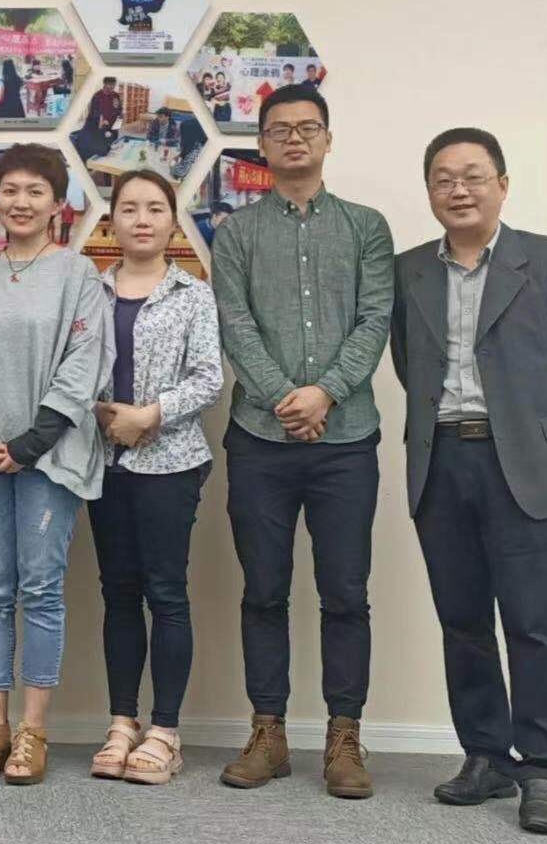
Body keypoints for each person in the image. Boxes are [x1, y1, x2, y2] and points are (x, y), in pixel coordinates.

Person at [391, 128, 547, 835]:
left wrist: (534, 435)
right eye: (443, 178)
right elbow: (407, 363)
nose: (459, 189)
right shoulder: (410, 270)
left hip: (519, 465)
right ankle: (485, 755)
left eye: (473, 175)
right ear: (430, 191)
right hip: (440, 460)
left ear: (502, 185)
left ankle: (543, 769)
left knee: (535, 622)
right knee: (463, 621)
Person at [209, 84, 392, 799]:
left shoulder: (366, 227)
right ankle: (269, 734)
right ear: (261, 144)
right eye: (280, 129)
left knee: (345, 593)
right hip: (261, 440)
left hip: (347, 441)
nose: (294, 138)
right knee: (264, 591)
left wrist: (326, 394)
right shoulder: (237, 232)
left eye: (307, 127)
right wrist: (288, 399)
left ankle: (344, 738)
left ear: (327, 139)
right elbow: (235, 324)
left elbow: (374, 320)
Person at [0, 143, 110, 786]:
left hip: (50, 458)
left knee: (40, 588)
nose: (21, 202)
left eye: (36, 191)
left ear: (58, 203)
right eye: (10, 189)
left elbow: (86, 363)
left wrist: (31, 442)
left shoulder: (79, 275)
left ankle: (34, 729)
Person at [83, 170, 222, 786]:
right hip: (103, 461)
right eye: (130, 208)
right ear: (111, 219)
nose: (142, 219)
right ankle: (122, 722)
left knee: (165, 592)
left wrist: (150, 416)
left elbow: (209, 377)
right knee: (117, 592)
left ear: (172, 220)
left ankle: (165, 730)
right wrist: (102, 413)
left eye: (155, 209)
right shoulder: (91, 293)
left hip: (171, 462)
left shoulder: (193, 295)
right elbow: (71, 367)